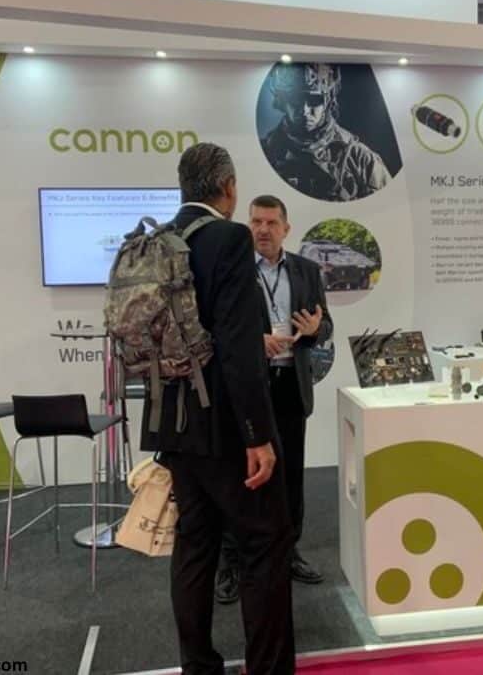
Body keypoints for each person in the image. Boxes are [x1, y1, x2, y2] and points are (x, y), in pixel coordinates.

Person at [150, 143, 295, 675]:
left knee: (194, 547)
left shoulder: (157, 240)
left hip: (173, 423)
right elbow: (237, 347)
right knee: (264, 544)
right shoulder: (228, 239)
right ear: (229, 188)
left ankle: (199, 667)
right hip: (227, 429)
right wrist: (258, 435)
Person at [215, 195, 333, 604]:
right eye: (256, 222)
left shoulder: (306, 271)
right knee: (241, 476)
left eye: (270, 223)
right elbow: (217, 327)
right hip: (248, 388)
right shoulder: (232, 269)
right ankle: (232, 562)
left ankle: (289, 551)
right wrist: (254, 341)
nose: (262, 230)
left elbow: (325, 325)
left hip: (290, 385)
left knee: (291, 475)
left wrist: (315, 329)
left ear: (286, 228)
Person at [261, 63, 390, 202]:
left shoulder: (361, 159)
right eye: (295, 100)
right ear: (282, 102)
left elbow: (387, 206)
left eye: (314, 100)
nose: (304, 111)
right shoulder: (266, 152)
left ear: (328, 101)